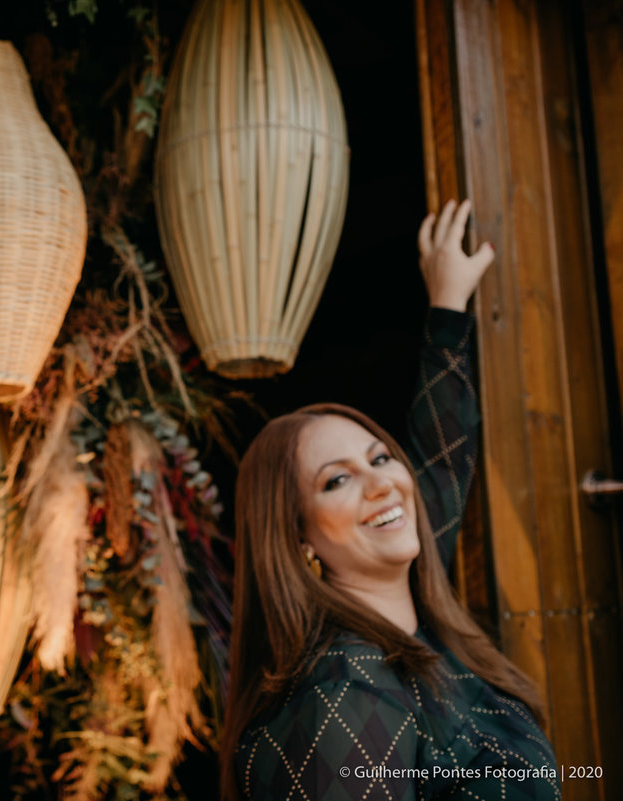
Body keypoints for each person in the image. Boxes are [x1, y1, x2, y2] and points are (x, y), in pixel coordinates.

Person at [220, 200, 559, 800]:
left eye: (379, 458)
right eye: (336, 481)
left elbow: (440, 463)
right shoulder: (345, 689)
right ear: (298, 538)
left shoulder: (411, 629)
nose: (381, 484)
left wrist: (448, 306)